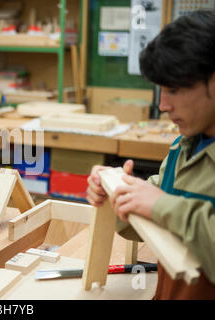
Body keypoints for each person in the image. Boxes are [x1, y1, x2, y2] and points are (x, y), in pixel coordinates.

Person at [86, 10, 215, 299]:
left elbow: (163, 208)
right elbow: (155, 223)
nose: (163, 104)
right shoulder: (184, 147)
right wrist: (118, 196)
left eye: (173, 88)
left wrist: (162, 206)